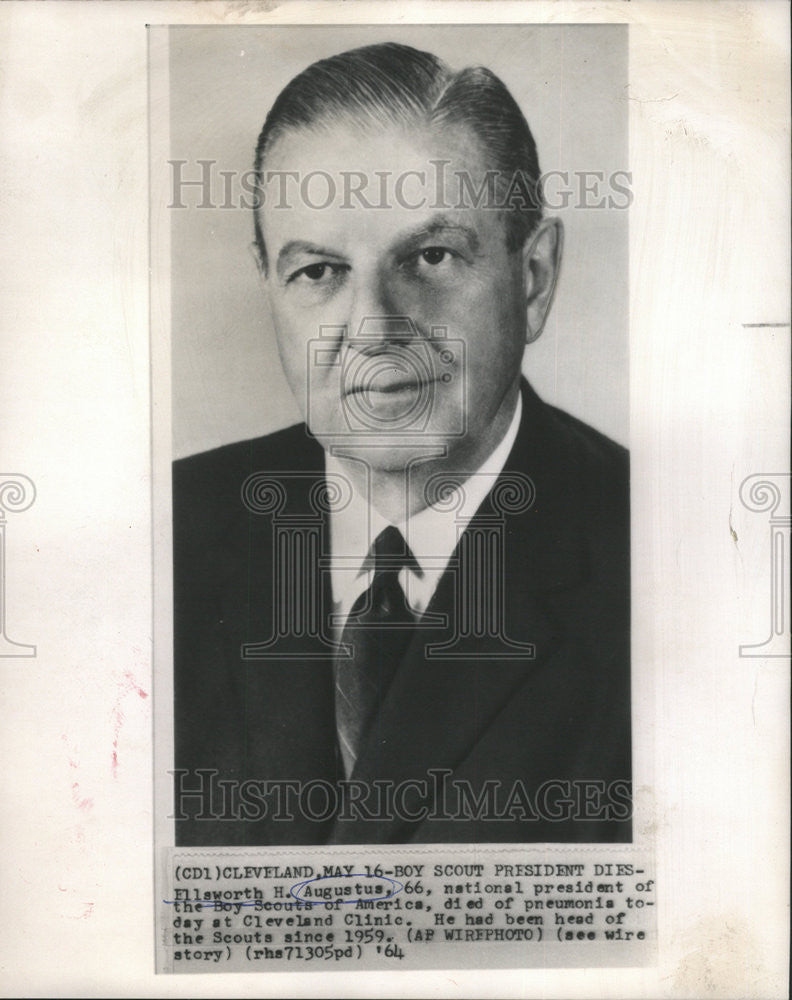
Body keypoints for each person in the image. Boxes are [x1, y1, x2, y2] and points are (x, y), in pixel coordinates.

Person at [173, 42, 630, 845]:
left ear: (533, 279)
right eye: (319, 272)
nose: (376, 330)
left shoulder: (663, 553)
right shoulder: (163, 531)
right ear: (269, 286)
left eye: (431, 257)